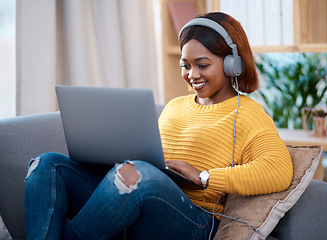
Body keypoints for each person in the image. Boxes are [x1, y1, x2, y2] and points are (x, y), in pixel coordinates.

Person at [24, 12, 293, 240]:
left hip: (196, 218)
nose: (192, 75)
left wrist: (204, 176)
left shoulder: (247, 113)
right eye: (185, 65)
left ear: (232, 64)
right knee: (48, 165)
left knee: (137, 174)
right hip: (144, 198)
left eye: (202, 65)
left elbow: (279, 169)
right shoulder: (175, 106)